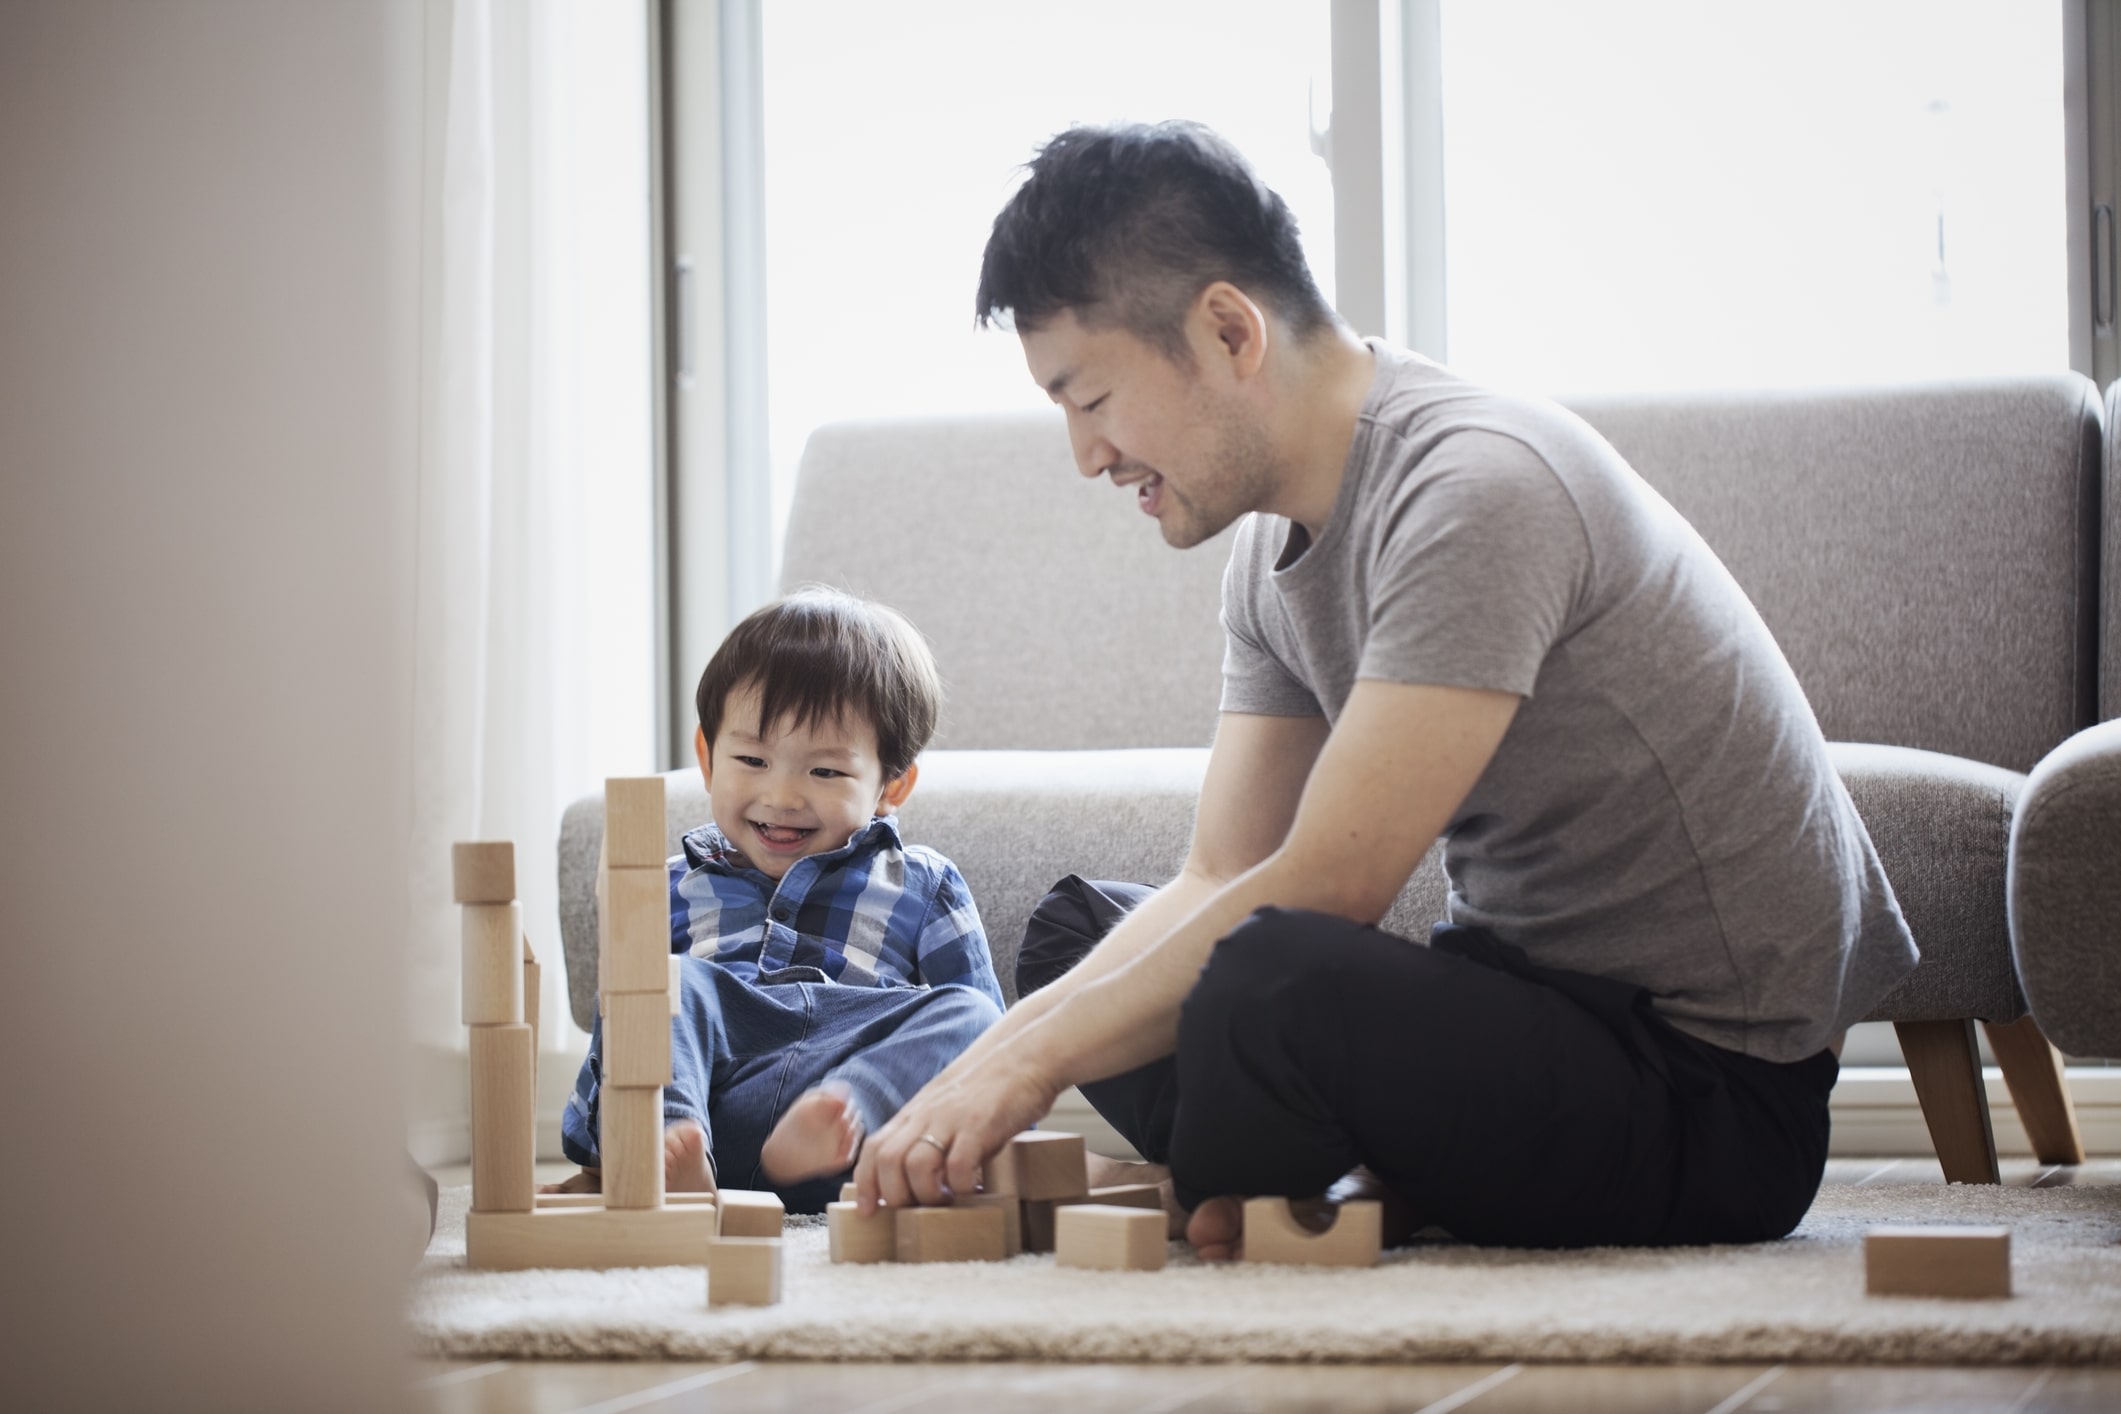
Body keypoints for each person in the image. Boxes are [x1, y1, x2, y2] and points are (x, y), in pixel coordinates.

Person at [851, 121, 1918, 1254]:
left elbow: (1329, 884)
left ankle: (1284, 1175)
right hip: (1532, 1016)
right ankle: (1319, 1173)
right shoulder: (1268, 559)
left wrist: (1025, 1065)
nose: (1085, 454)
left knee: (1270, 976)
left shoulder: (1477, 490)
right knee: (1077, 934)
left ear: (1226, 330)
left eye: (1091, 398)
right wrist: (985, 1064)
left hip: (1706, 1096)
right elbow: (1221, 866)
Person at [554, 589, 1004, 1213]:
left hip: (848, 1133)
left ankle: (845, 1105)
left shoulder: (924, 883)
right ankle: (660, 1147)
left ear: (891, 785)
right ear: (708, 760)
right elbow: (622, 1029)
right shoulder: (667, 884)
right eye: (752, 759)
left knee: (976, 1014)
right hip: (716, 1109)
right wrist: (600, 1150)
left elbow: (984, 1051)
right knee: (657, 983)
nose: (783, 795)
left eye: (824, 772)